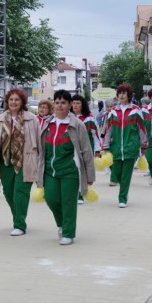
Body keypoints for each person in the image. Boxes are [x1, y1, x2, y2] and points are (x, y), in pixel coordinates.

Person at [37, 90, 95, 245]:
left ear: (69, 105)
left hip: (70, 170)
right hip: (50, 171)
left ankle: (68, 233)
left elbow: (86, 151)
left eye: (63, 102)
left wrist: (89, 175)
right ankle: (62, 224)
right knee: (51, 199)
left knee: (68, 202)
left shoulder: (77, 125)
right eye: (57, 102)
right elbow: (42, 151)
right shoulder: (47, 123)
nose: (60, 105)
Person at [0, 88, 41, 236]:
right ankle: (18, 218)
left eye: (17, 100)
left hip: (25, 160)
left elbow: (40, 141)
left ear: (22, 102)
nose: (13, 102)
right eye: (11, 99)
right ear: (7, 102)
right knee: (9, 193)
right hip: (5, 161)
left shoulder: (31, 118)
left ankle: (20, 224)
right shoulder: (0, 119)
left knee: (20, 192)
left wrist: (42, 160)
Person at [102, 84, 148, 208]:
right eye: (120, 93)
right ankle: (123, 190)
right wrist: (105, 145)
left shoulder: (135, 110)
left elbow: (141, 129)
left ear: (129, 95)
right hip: (115, 148)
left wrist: (144, 144)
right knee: (116, 173)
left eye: (124, 93)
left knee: (126, 175)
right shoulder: (113, 112)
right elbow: (108, 130)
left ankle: (122, 198)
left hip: (130, 148)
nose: (121, 95)